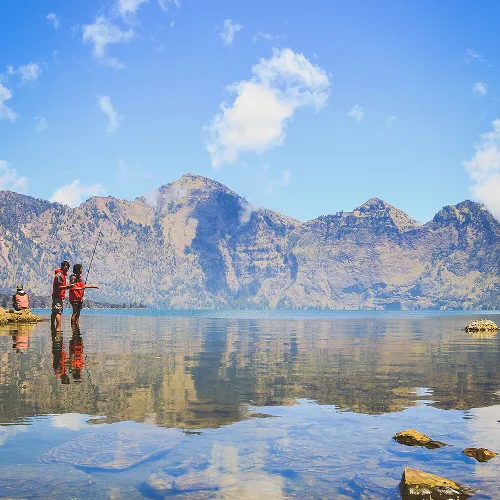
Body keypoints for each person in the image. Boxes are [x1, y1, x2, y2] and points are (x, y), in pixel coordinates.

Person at [69, 263, 99, 327]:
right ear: (78, 270)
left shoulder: (80, 278)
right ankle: (73, 328)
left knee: (78, 314)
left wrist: (93, 286)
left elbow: (83, 286)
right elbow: (71, 287)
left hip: (79, 298)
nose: (82, 270)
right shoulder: (73, 278)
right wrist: (81, 288)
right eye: (81, 269)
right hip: (74, 298)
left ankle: (77, 326)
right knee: (74, 313)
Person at [51, 260, 72, 331]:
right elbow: (59, 287)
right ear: (62, 267)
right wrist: (68, 287)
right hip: (58, 296)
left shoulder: (61, 275)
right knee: (58, 312)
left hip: (57, 296)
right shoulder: (59, 275)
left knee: (54, 312)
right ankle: (58, 333)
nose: (67, 270)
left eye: (68, 269)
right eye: (66, 269)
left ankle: (53, 330)